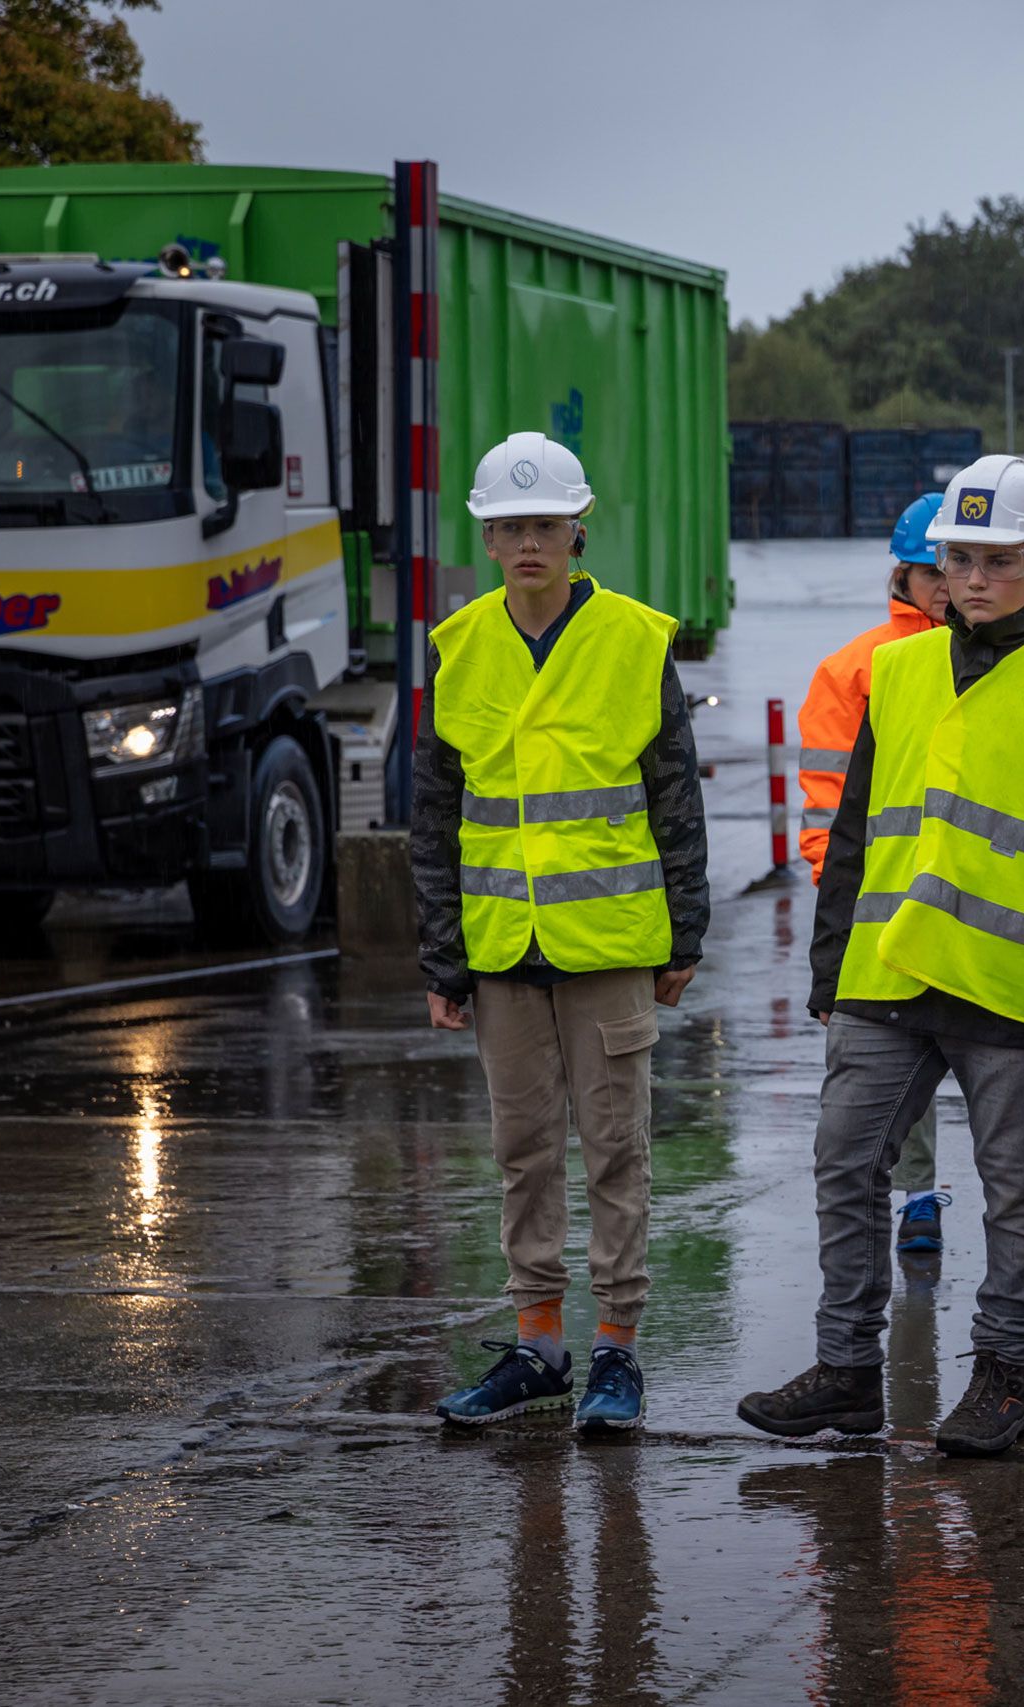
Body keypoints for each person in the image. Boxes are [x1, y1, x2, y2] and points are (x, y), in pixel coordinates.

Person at [740, 454, 1024, 1458]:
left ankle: (1003, 1379)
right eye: (959, 558)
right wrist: (830, 972)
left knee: (1016, 1193)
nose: (975, 578)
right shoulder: (898, 673)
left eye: (998, 559)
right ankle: (847, 1371)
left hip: (1005, 988)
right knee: (843, 1164)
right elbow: (858, 831)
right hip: (884, 974)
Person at [417, 431, 709, 1434]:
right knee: (523, 1152)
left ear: (576, 531)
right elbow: (437, 815)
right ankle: (538, 1348)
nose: (527, 542)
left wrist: (686, 935)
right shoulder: (458, 649)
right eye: (509, 527)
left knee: (616, 1151)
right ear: (487, 540)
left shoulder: (633, 639)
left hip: (612, 948)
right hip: (503, 952)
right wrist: (442, 958)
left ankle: (616, 1356)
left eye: (543, 525)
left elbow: (674, 795)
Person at [794, 492, 983, 1260]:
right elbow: (827, 811)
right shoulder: (856, 670)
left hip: (983, 905)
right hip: (885, 911)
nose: (946, 583)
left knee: (1004, 1069)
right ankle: (919, 1198)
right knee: (894, 1074)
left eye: (957, 563)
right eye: (929, 568)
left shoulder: (1010, 661)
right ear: (901, 576)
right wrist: (846, 907)